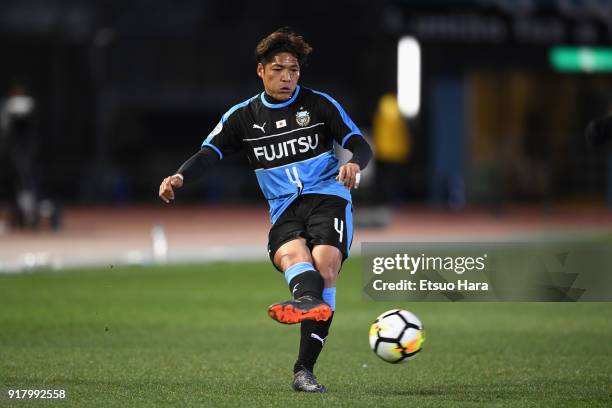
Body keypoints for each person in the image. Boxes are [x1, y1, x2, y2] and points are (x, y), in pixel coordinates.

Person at [158, 27, 372, 393]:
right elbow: (210, 154)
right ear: (261, 71)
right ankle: (307, 300)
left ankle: (304, 368)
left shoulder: (320, 105)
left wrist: (354, 164)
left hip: (328, 197)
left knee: (325, 265)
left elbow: (359, 144)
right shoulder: (243, 116)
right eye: (278, 69)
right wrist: (180, 176)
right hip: (283, 208)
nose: (287, 77)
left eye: (293, 70)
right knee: (291, 257)